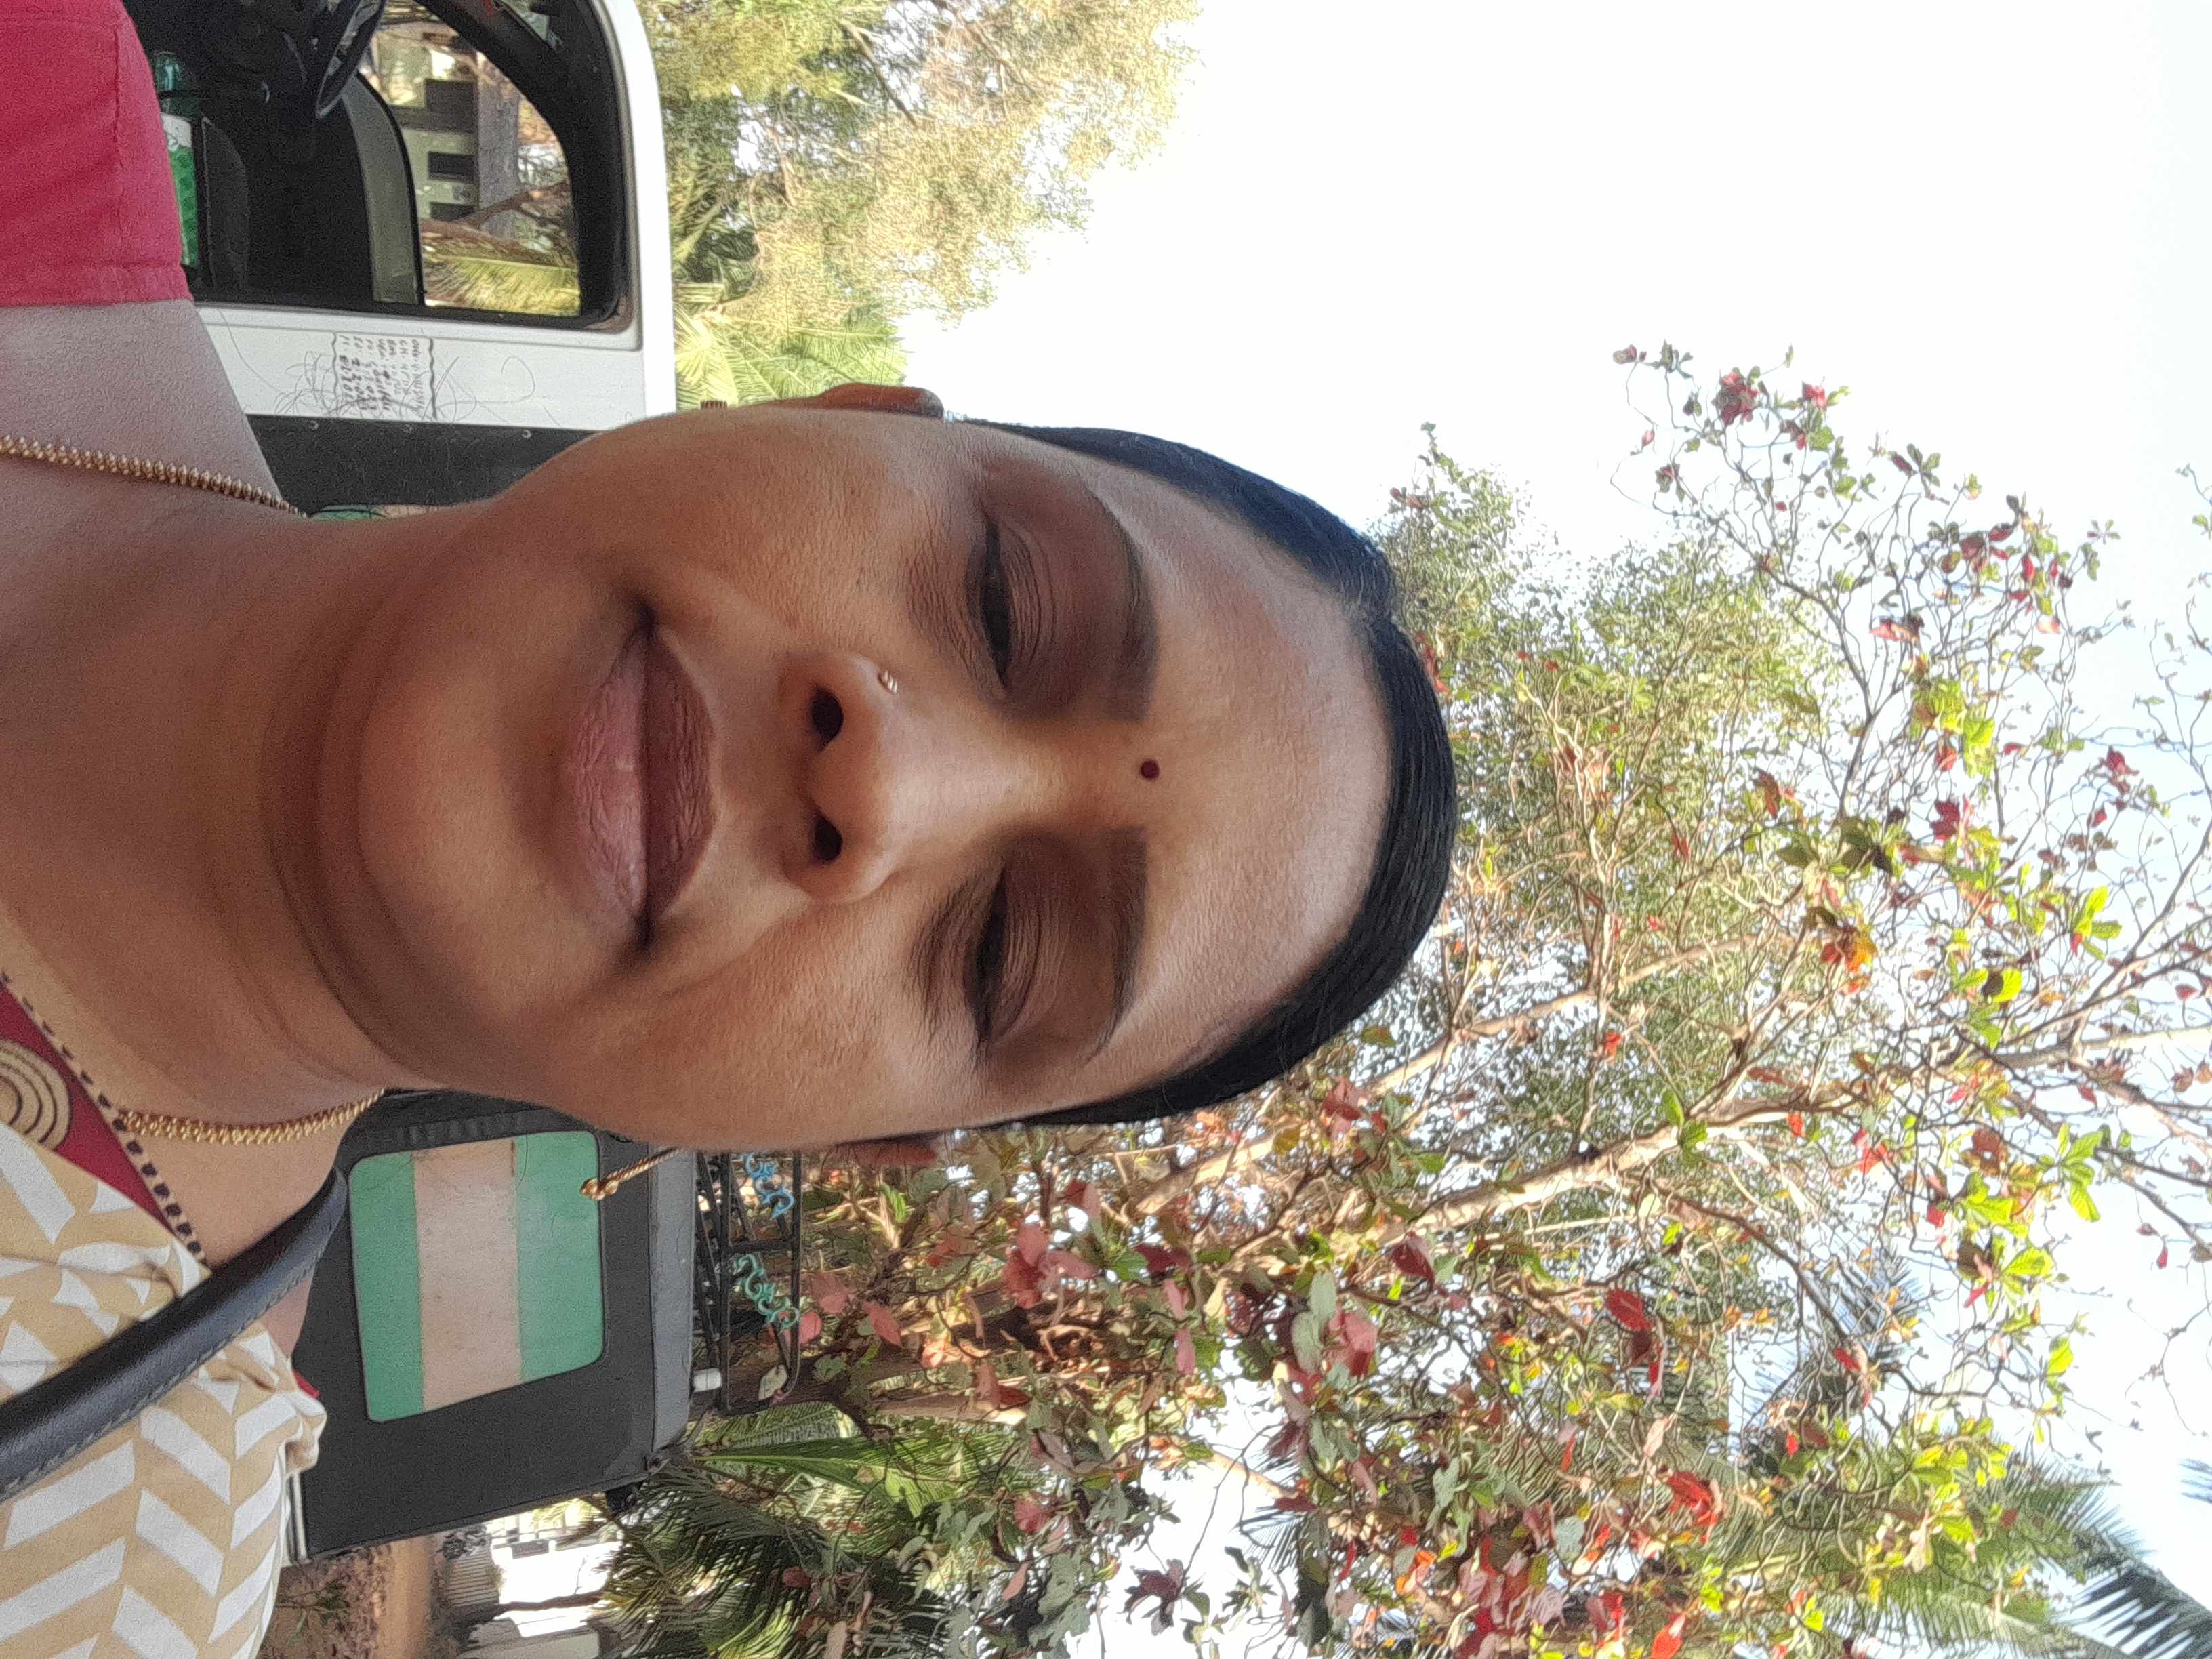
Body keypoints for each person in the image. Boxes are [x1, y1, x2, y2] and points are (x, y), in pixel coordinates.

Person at [0, 0, 1455, 1650]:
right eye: (1002, 599)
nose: (885, 788)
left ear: (849, 1138)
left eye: (999, 951)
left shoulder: (97, 1557)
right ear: (849, 414)